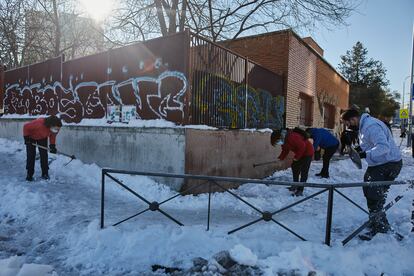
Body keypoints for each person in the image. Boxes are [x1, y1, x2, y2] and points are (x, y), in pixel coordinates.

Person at [341, 109, 402, 240]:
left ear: (353, 119)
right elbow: (369, 144)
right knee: (369, 189)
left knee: (374, 194)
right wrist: (358, 150)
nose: (347, 126)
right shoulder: (364, 126)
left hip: (389, 163)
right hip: (379, 163)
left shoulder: (371, 126)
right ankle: (376, 221)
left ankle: (380, 228)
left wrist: (364, 154)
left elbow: (383, 147)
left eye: (347, 123)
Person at [270, 128, 314, 196]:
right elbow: (285, 150)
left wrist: (296, 158)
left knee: (304, 171)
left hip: (308, 152)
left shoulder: (292, 137)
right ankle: (295, 185)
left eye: (276, 141)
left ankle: (300, 190)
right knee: (295, 167)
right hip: (300, 153)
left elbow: (302, 146)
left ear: (278, 137)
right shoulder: (283, 139)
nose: (278, 143)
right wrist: (281, 158)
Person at [23, 115, 62, 181]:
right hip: (31, 138)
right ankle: (29, 174)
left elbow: (53, 136)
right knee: (31, 155)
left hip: (42, 138)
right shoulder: (39, 124)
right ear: (50, 125)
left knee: (44, 155)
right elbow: (25, 127)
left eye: (58, 129)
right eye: (55, 128)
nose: (57, 130)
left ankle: (45, 174)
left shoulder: (56, 127)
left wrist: (52, 145)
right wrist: (26, 138)